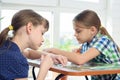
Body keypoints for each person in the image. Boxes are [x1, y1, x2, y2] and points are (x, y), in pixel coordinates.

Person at [44, 9, 120, 80]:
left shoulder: (103, 41)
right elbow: (77, 61)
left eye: (78, 31)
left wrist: (54, 50)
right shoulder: (86, 44)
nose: (75, 34)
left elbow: (80, 60)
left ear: (92, 30)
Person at [0, 9, 67, 80]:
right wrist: (44, 69)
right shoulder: (17, 59)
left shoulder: (6, 46)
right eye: (42, 33)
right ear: (29, 28)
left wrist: (51, 56)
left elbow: (28, 53)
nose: (43, 39)